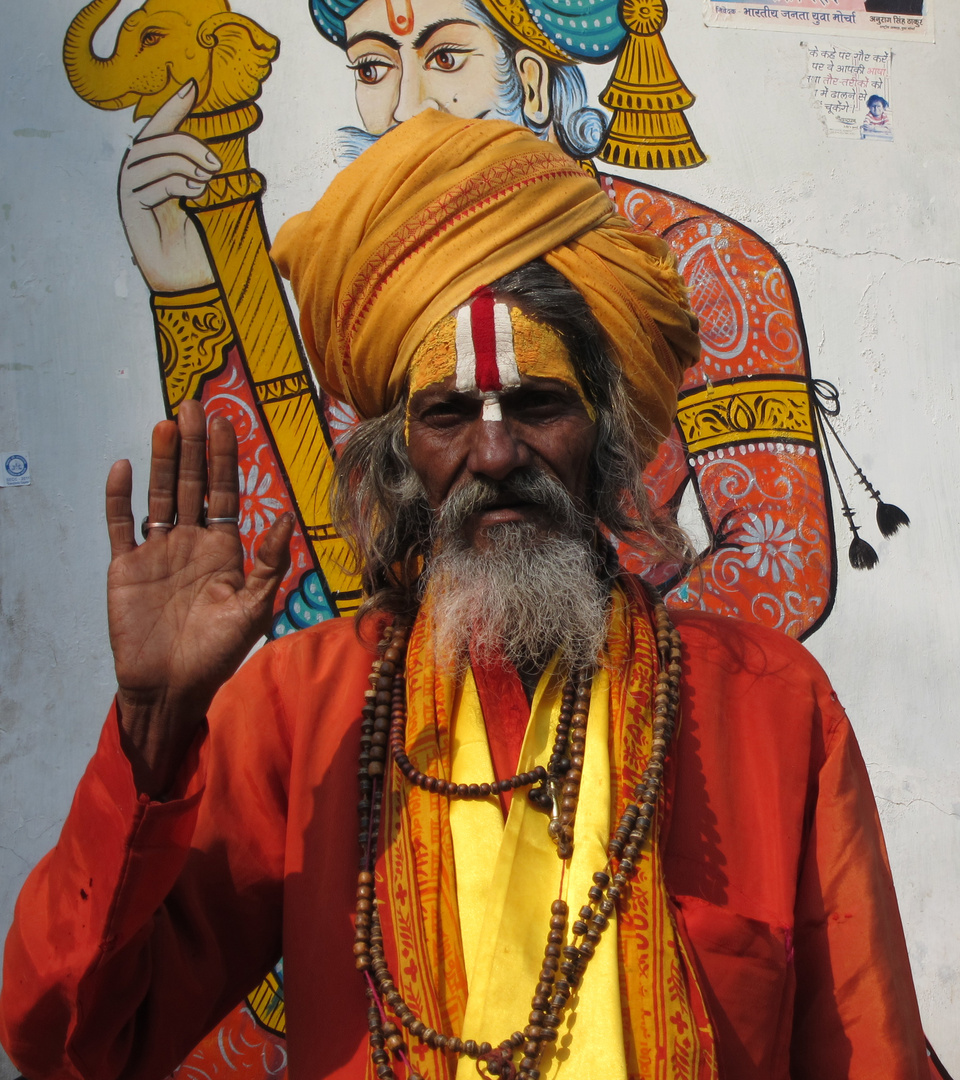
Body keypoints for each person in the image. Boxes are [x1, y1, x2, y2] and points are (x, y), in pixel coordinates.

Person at [0, 112, 927, 1080]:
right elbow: (68, 1039)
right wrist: (154, 731)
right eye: (449, 414)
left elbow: (870, 1057)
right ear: (400, 455)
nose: (495, 453)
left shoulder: (768, 701)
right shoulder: (301, 708)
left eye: (537, 405)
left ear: (605, 436)